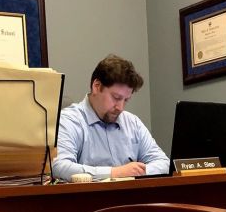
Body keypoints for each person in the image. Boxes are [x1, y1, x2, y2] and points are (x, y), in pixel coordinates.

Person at [52, 54, 170, 182]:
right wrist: (115, 173)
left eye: (126, 100)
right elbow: (59, 167)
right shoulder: (68, 120)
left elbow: (163, 162)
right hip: (89, 199)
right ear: (96, 86)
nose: (120, 107)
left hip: (133, 198)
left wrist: (139, 172)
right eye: (116, 98)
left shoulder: (132, 122)